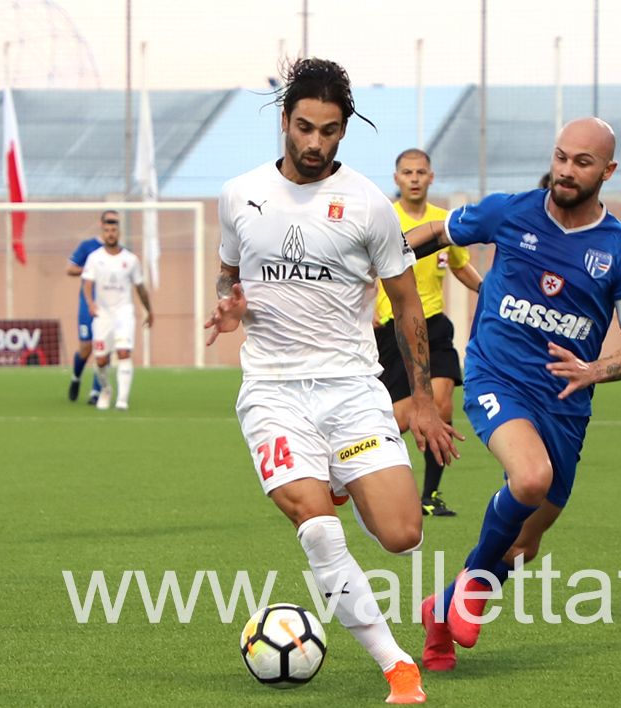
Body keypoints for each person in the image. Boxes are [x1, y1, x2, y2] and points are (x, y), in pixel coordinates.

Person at [203, 57, 461, 705]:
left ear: (345, 129)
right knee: (318, 529)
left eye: (330, 130)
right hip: (272, 391)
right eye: (305, 127)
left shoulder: (371, 206)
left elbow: (407, 304)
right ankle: (397, 666)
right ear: (285, 120)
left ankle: (341, 481)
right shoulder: (239, 194)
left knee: (404, 535)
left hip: (351, 388)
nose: (315, 143)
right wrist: (227, 305)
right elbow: (227, 276)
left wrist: (426, 402)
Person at [405, 117, 621, 671]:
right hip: (498, 377)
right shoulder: (511, 211)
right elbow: (438, 233)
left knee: (522, 548)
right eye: (561, 157)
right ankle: (471, 589)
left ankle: (441, 610)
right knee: (530, 477)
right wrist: (378, 262)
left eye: (582, 162)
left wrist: (595, 369)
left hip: (567, 404)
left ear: (608, 171)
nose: (567, 170)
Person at [374, 149, 483, 517]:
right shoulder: (385, 218)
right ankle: (357, 462)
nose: (415, 178)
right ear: (397, 178)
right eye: (408, 172)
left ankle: (430, 496)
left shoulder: (444, 223)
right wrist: (366, 312)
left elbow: (461, 267)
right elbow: (362, 271)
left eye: (421, 172)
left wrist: (492, 294)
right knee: (399, 416)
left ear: (431, 177)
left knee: (441, 403)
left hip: (434, 324)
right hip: (393, 328)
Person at [81, 215, 154, 411]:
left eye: (113, 231)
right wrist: (90, 303)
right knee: (101, 358)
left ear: (118, 233)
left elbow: (139, 287)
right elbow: (87, 284)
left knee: (123, 352)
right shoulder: (95, 258)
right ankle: (106, 390)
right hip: (102, 314)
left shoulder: (130, 260)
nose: (110, 234)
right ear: (103, 233)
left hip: (124, 312)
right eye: (107, 230)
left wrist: (149, 310)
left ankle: (122, 399)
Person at [66, 213, 112, 404]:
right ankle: (76, 378)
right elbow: (70, 268)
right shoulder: (88, 247)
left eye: (115, 223)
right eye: (108, 222)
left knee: (104, 348)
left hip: (109, 306)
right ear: (101, 225)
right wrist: (91, 269)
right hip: (88, 303)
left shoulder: (121, 253)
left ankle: (95, 391)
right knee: (86, 348)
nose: (112, 226)